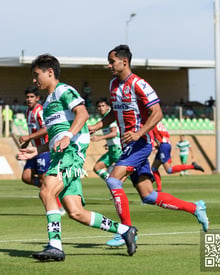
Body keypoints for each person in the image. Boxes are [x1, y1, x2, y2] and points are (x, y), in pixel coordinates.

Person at [17, 54, 137, 262]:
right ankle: (126, 230)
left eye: (37, 75)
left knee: (46, 191)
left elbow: (82, 114)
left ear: (50, 72)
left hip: (71, 153)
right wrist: (37, 150)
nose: (34, 80)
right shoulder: (47, 104)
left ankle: (55, 246)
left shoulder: (64, 90)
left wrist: (69, 136)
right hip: (59, 155)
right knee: (76, 212)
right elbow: (56, 135)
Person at [88, 45, 209, 248]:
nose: (108, 65)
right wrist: (97, 125)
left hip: (140, 144)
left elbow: (157, 112)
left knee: (113, 180)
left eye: (112, 61)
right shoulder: (113, 85)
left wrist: (138, 133)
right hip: (129, 145)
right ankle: (195, 208)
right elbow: (114, 113)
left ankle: (126, 231)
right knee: (148, 195)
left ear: (124, 62)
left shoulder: (139, 84)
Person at [18, 86, 65, 215]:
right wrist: (27, 142)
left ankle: (57, 206)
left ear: (37, 98)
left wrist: (29, 137)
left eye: (32, 97)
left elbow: (46, 129)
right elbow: (33, 130)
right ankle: (52, 192)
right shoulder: (28, 111)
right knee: (26, 177)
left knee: (45, 180)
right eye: (27, 97)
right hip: (34, 150)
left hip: (43, 150)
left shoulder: (40, 111)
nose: (29, 99)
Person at [151, 121, 204, 192]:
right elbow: (163, 135)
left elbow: (152, 135)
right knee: (154, 168)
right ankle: (159, 189)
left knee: (169, 170)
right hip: (165, 144)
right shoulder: (159, 122)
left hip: (163, 146)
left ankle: (193, 166)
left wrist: (152, 146)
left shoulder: (151, 122)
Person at [90, 98, 122, 182]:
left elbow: (114, 133)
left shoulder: (110, 118)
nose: (101, 108)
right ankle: (112, 183)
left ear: (108, 107)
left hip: (117, 150)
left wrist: (98, 138)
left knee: (126, 173)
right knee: (97, 168)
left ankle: (143, 180)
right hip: (111, 150)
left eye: (103, 106)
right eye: (99, 106)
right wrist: (108, 143)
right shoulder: (104, 119)